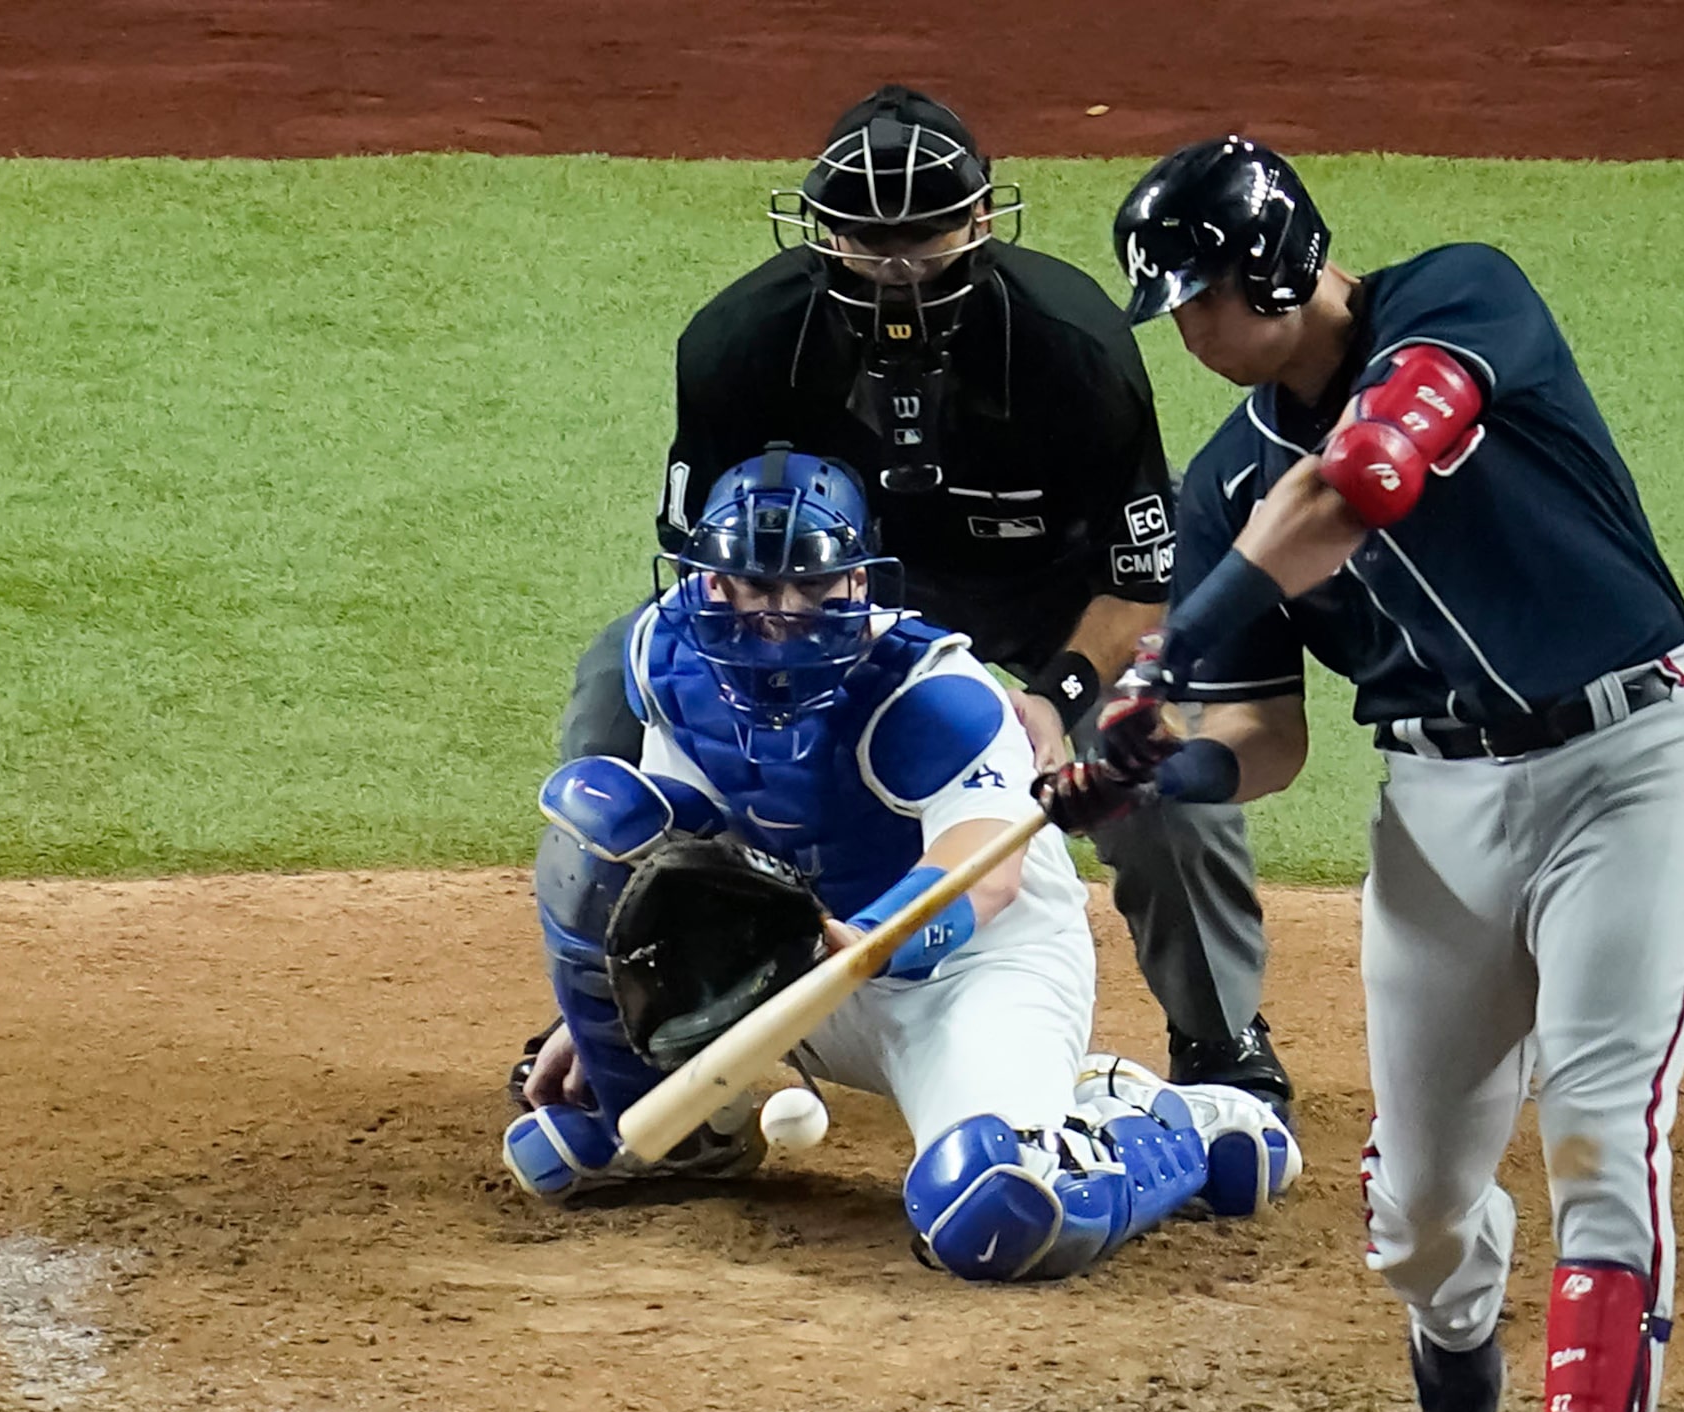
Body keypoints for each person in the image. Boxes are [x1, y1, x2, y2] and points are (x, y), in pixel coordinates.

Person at [1042, 138, 1684, 1412]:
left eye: (1199, 301)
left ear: (1278, 272)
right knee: (1418, 1207)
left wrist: (1159, 652)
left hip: (1634, 767)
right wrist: (1154, 779)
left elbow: (1362, 475)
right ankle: (1452, 1304)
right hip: (1441, 808)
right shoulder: (1224, 475)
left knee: (1601, 1134)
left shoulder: (1459, 302)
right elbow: (1267, 739)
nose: (1188, 332)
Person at [539, 84, 1291, 1115]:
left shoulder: (1070, 345)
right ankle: (626, 996)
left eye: (924, 231)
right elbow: (699, 579)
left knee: (1149, 757)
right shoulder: (739, 345)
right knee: (614, 691)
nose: (895, 262)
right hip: (823, 606)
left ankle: (1218, 1041)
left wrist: (1059, 694)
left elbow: (1141, 580)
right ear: (817, 231)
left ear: (981, 219)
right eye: (860, 234)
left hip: (1050, 601)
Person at [505, 449, 1298, 1278]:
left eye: (810, 589)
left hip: (966, 975)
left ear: (857, 584)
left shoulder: (929, 691)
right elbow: (678, 861)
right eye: (753, 586)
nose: (780, 616)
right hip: (794, 972)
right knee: (599, 819)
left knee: (996, 1212)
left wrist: (874, 939)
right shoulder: (663, 658)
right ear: (709, 580)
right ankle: (685, 1130)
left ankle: (1172, 1124)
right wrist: (615, 1018)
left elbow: (983, 873)